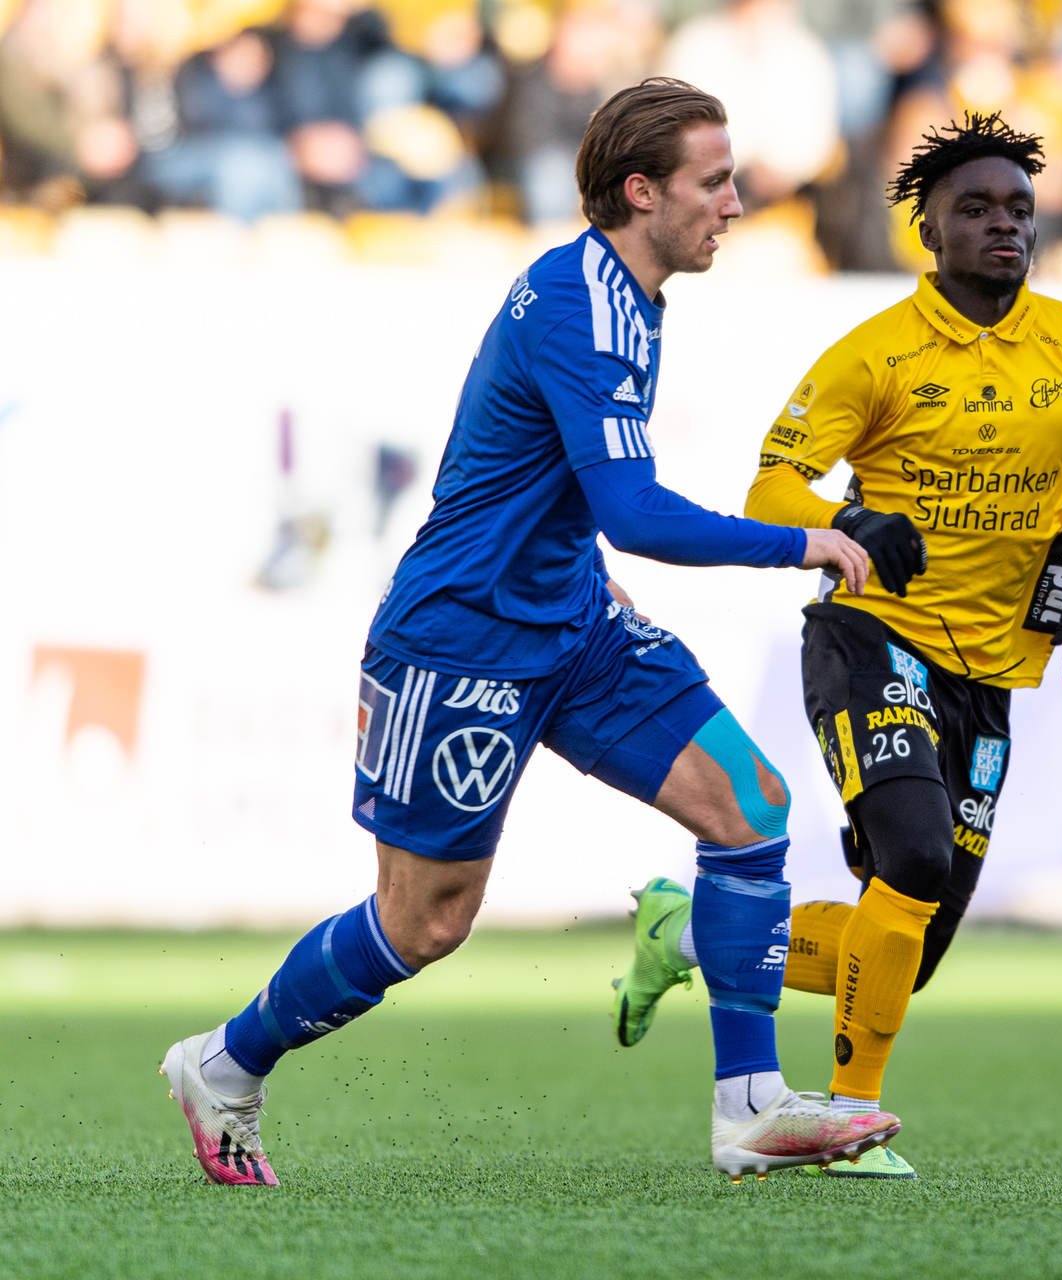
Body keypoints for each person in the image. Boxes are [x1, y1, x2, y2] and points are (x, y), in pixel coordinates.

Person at [159, 77, 902, 1188]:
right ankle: (224, 1062)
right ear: (643, 192)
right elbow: (635, 511)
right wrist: (809, 542)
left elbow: (571, 502)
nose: (737, 204)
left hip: (576, 622)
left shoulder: (629, 294)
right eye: (715, 181)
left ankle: (749, 1106)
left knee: (749, 806)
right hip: (463, 639)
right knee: (426, 923)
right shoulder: (579, 306)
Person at [611, 112, 1062, 1178]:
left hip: (992, 673)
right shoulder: (875, 355)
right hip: (875, 636)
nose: (1004, 225)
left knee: (905, 948)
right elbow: (773, 481)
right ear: (929, 232)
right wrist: (848, 525)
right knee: (909, 855)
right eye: (976, 209)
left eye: (1017, 208)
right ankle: (852, 1115)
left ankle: (686, 933)